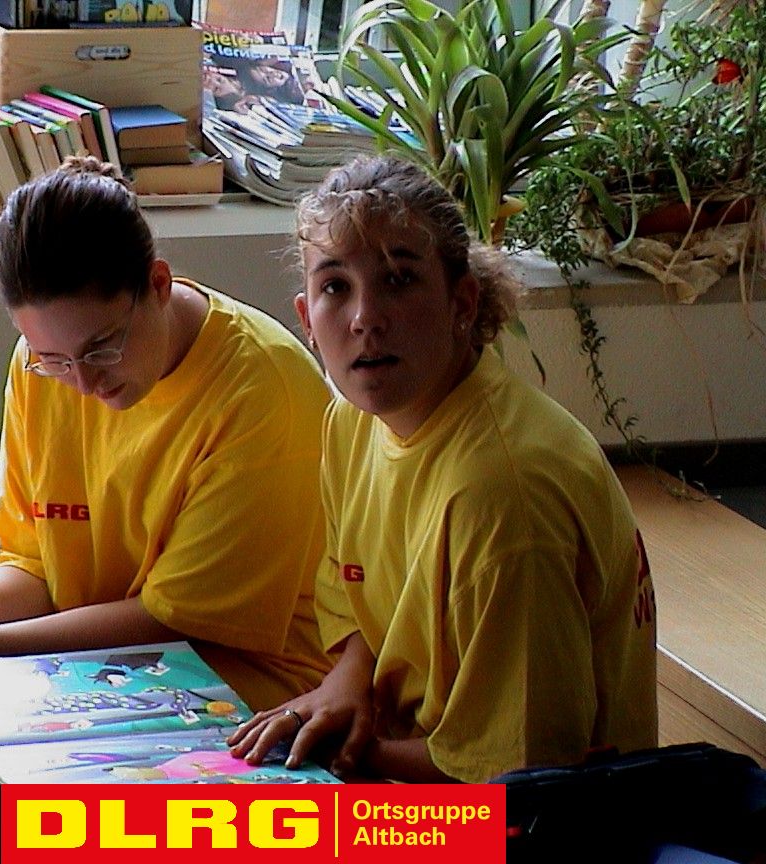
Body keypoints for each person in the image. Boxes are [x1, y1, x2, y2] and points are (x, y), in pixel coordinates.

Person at [0, 156, 333, 863]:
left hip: (243, 690)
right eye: (53, 358)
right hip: (87, 665)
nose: (82, 383)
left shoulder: (262, 388)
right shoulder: (39, 368)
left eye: (102, 348)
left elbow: (172, 621)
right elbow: (33, 571)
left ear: (158, 285)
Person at [228, 154, 659, 784]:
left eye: (399, 279)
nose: (365, 318)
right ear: (306, 320)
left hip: (541, 815)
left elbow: (522, 774)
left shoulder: (503, 494)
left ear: (462, 301)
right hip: (416, 757)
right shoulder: (352, 419)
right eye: (335, 286)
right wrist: (347, 683)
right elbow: (355, 596)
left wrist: (346, 751)